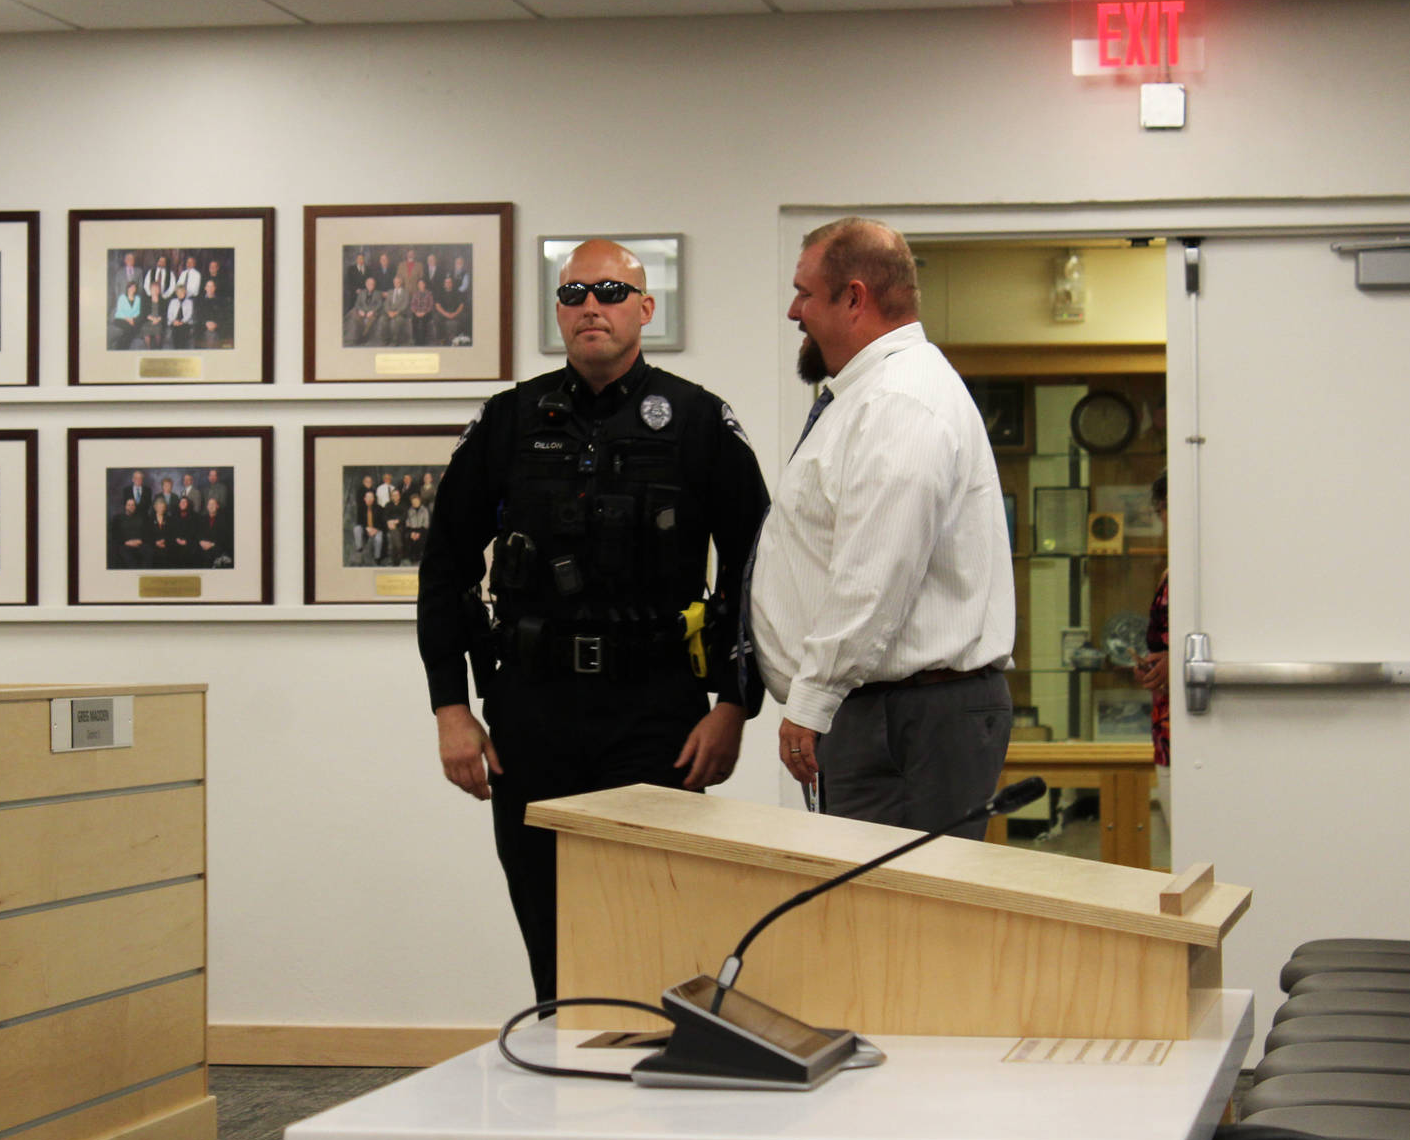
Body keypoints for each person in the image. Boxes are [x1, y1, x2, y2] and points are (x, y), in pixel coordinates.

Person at [417, 238, 770, 1003]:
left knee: (654, 921)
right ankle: (558, 1081)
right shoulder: (509, 422)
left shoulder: (698, 420)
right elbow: (445, 561)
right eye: (573, 293)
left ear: (645, 309)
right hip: (533, 711)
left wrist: (737, 704)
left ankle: (649, 1093)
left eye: (610, 291)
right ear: (558, 313)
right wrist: (450, 704)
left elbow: (754, 566)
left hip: (657, 711)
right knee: (548, 927)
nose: (590, 307)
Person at [751, 216, 1016, 835]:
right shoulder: (875, 394)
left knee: (900, 926)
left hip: (905, 719)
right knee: (879, 922)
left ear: (853, 298)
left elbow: (876, 572)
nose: (794, 311)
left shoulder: (899, 400)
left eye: (805, 293)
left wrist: (812, 701)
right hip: (890, 714)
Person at [1132, 470, 1171, 827]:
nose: (1162, 520)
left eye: (1162, 510)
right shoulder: (1170, 573)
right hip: (1166, 723)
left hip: (1196, 727)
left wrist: (1175, 664)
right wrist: (1152, 667)